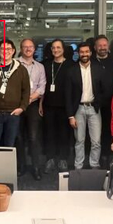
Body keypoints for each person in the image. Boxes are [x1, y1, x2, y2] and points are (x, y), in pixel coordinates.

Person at [65, 42, 105, 170]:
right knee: (79, 141)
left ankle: (94, 165)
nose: (84, 54)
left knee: (96, 141)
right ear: (78, 54)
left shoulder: (99, 69)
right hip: (78, 109)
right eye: (81, 52)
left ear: (91, 53)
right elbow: (68, 94)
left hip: (94, 108)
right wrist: (70, 115)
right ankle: (78, 166)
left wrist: (99, 102)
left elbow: (104, 89)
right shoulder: (71, 71)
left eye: (86, 52)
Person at [0, 39, 30, 147]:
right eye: (3, 49)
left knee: (10, 146)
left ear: (13, 51)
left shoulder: (21, 70)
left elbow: (26, 91)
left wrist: (22, 108)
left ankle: (7, 165)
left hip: (13, 113)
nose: (6, 51)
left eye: (8, 49)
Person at [40, 39, 73, 173]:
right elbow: (42, 86)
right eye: (53, 48)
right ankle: (50, 159)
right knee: (49, 133)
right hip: (48, 105)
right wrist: (40, 104)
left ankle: (63, 159)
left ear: (63, 49)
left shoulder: (71, 65)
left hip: (65, 106)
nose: (56, 50)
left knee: (64, 133)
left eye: (58, 47)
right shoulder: (46, 65)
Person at [16, 38, 46, 180]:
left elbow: (42, 86)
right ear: (21, 49)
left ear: (34, 49)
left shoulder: (40, 67)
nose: (28, 49)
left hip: (32, 104)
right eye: (25, 47)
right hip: (16, 105)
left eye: (31, 47)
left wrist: (30, 99)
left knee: (34, 137)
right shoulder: (14, 64)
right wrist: (22, 100)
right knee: (19, 137)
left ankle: (36, 167)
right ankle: (21, 166)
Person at [92, 35, 113, 167]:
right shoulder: (90, 62)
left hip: (111, 103)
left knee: (109, 130)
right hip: (94, 103)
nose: (102, 48)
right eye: (100, 45)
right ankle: (95, 157)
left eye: (104, 45)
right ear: (95, 47)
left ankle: (107, 156)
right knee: (95, 132)